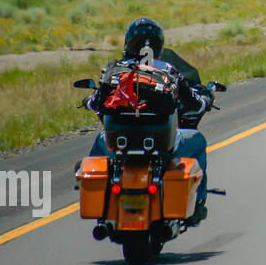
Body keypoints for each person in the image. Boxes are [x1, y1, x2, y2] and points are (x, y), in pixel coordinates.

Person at [83, 18, 213, 226]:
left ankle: (101, 203)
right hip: (159, 142)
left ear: (128, 43)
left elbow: (96, 102)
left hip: (120, 141)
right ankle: (198, 202)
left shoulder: (114, 70)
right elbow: (195, 103)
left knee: (99, 143)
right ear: (159, 45)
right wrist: (205, 101)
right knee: (197, 140)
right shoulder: (168, 70)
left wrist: (88, 102)